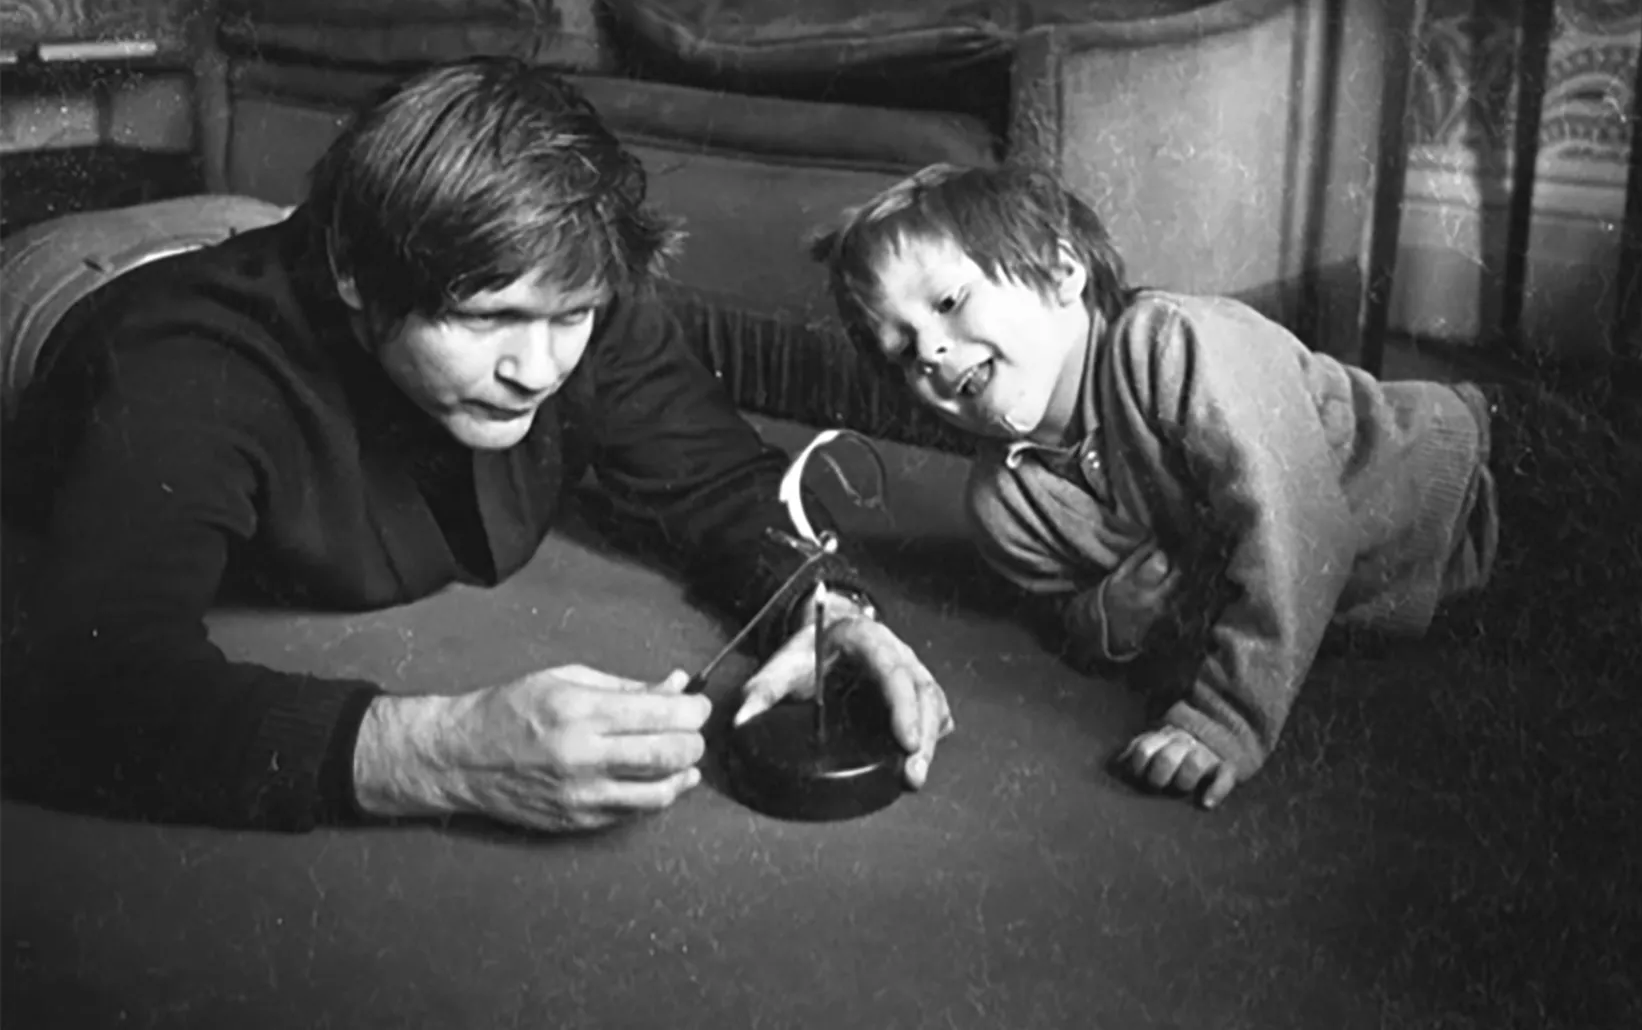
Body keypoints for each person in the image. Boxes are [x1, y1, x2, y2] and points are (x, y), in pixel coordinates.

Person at [0, 59, 951, 834]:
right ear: (354, 279)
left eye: (568, 317)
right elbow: (70, 687)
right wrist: (441, 752)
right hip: (71, 277)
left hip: (279, 227)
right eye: (487, 318)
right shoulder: (184, 371)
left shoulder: (568, 285)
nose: (537, 369)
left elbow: (718, 476)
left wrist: (827, 611)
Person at [810, 162, 1526, 810]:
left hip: (1488, 480)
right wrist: (1108, 616)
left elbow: (1303, 529)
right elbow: (1068, 619)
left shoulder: (1171, 343)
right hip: (1422, 598)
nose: (931, 351)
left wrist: (1224, 722)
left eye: (949, 301)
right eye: (901, 351)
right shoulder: (1005, 505)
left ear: (1062, 272)